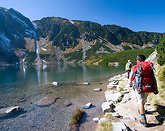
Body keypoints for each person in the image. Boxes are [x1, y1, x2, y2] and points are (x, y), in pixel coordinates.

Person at [129, 55, 158, 127]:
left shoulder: (135, 67)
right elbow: (153, 77)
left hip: (139, 87)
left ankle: (143, 118)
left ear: (138, 60)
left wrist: (130, 84)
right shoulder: (149, 67)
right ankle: (142, 110)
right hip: (148, 87)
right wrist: (155, 87)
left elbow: (131, 77)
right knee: (144, 99)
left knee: (140, 102)